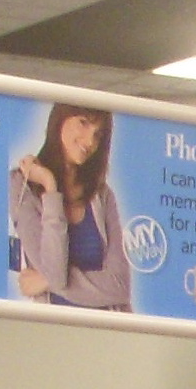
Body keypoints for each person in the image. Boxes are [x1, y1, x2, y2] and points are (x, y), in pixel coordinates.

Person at [11, 104, 132, 311]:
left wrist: (46, 282)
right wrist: (50, 187)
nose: (89, 141)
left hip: (108, 332)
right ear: (60, 119)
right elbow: (55, 273)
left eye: (98, 134)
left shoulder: (102, 195)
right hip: (52, 331)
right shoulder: (21, 186)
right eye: (83, 123)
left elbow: (120, 287)